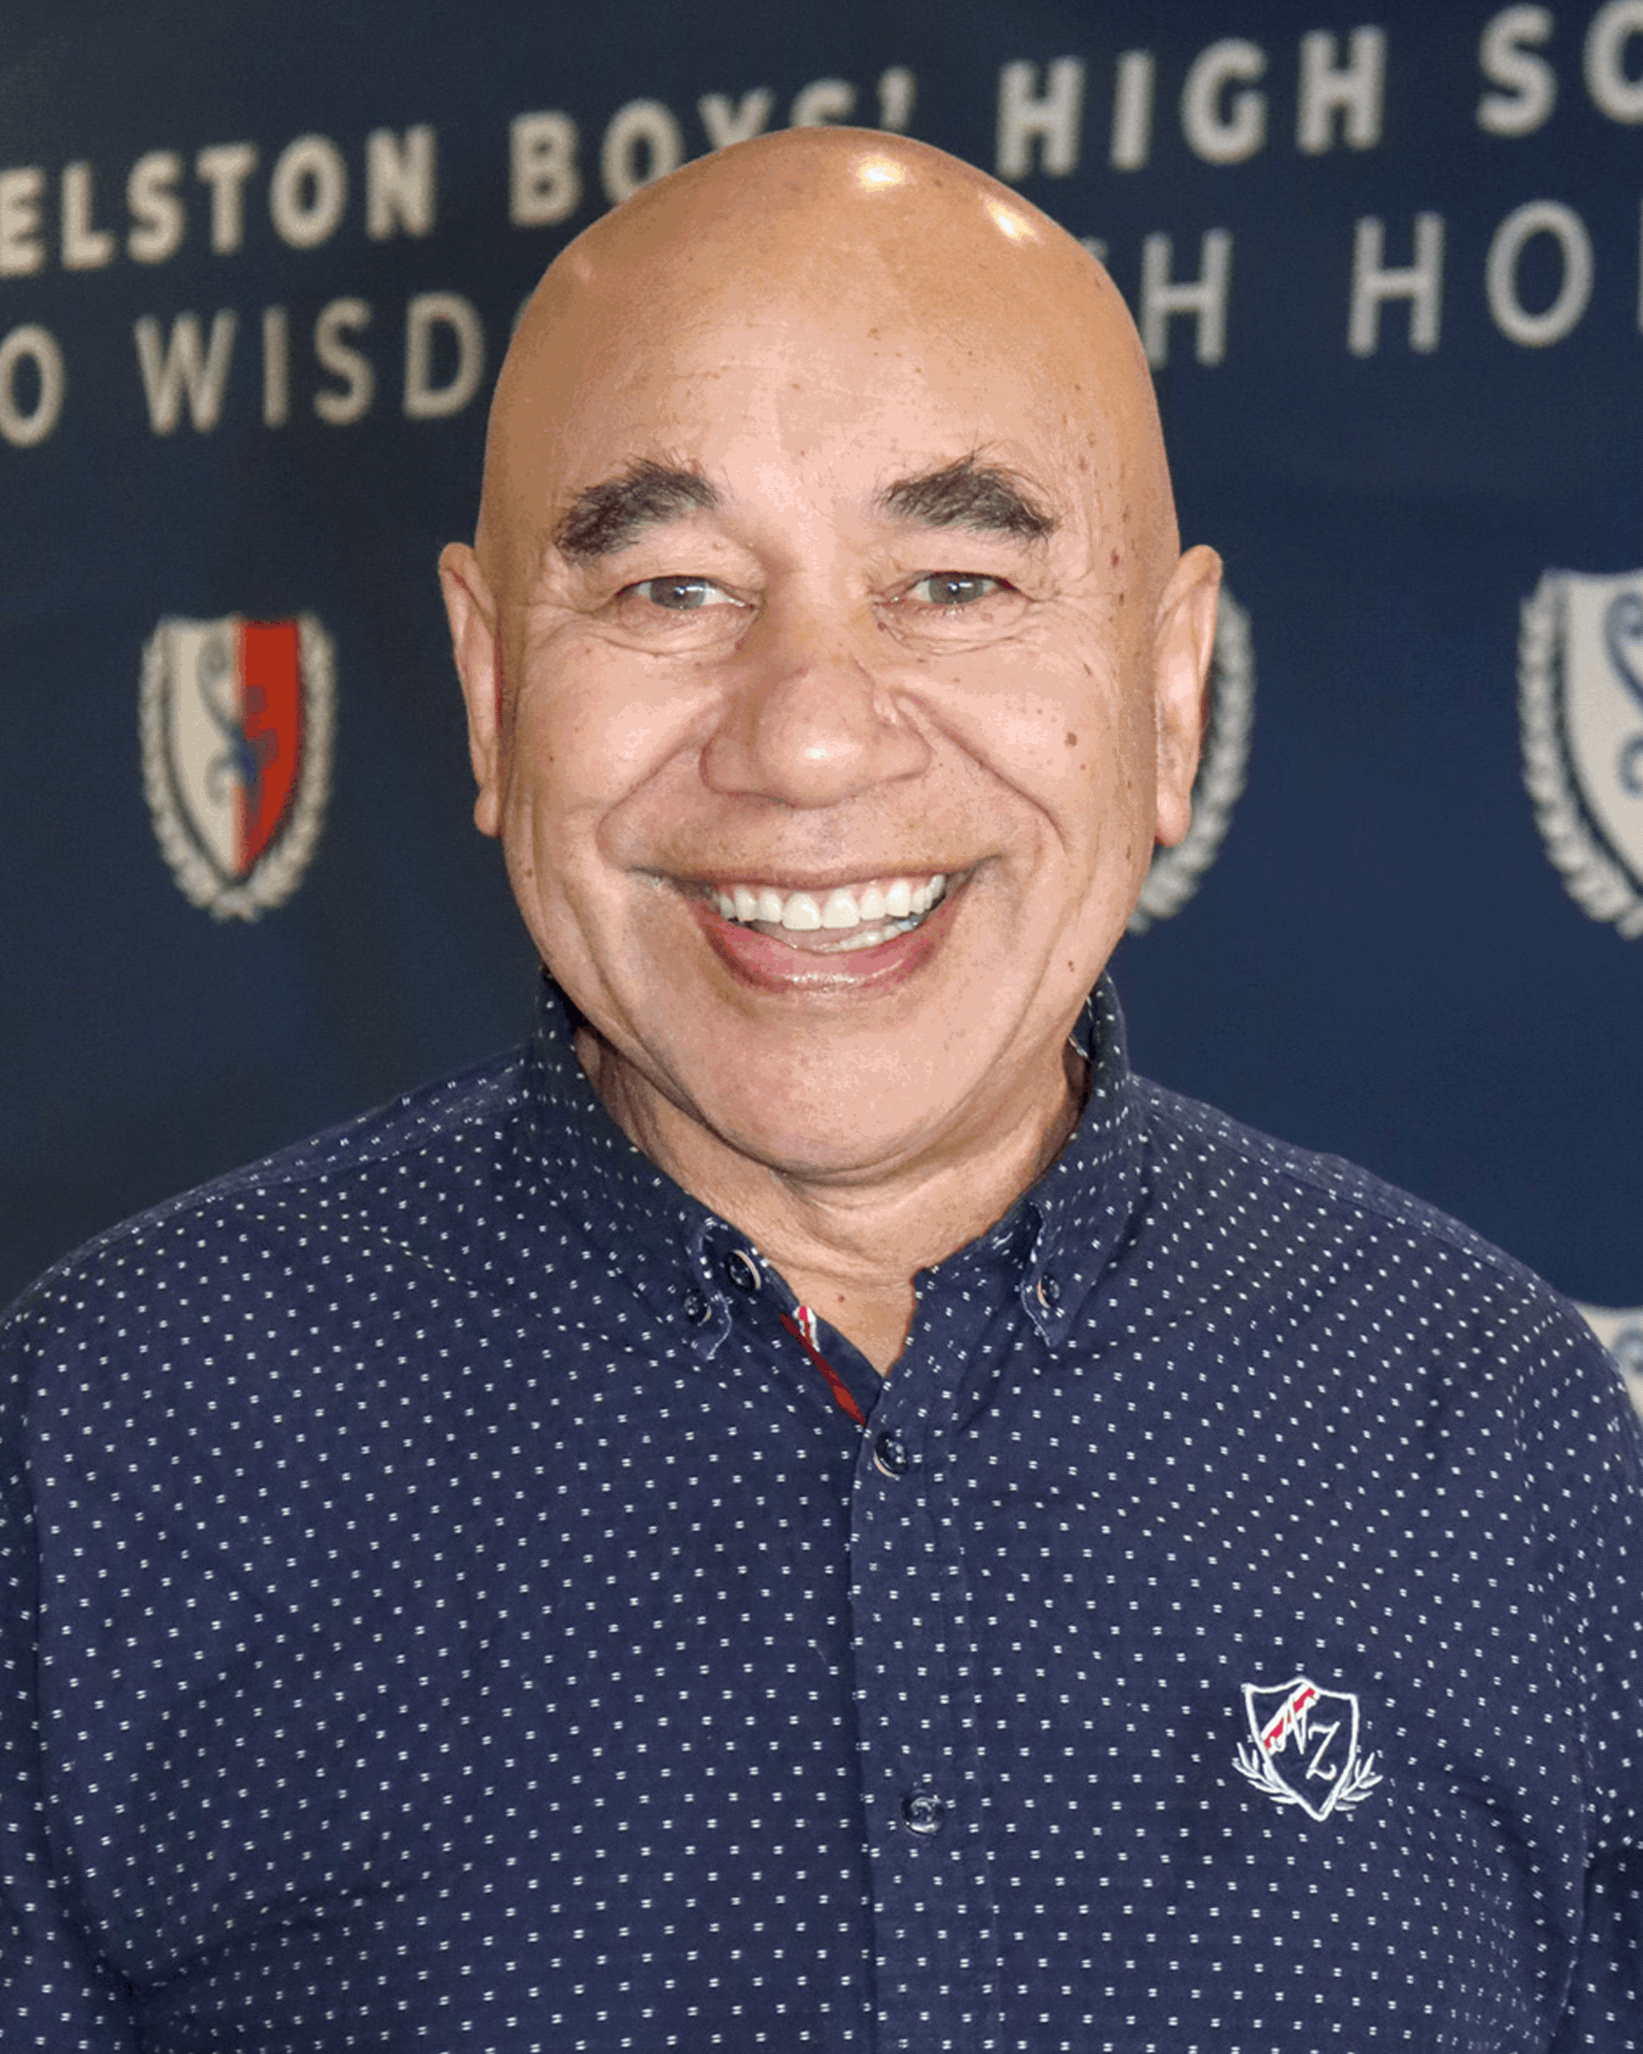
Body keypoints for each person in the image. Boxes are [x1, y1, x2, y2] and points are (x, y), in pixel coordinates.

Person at [2, 127, 1639, 2050]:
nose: (805, 737)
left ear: (1168, 690)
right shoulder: (108, 1451)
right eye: (673, 589)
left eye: (951, 580)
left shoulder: (1491, 1439)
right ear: (490, 686)